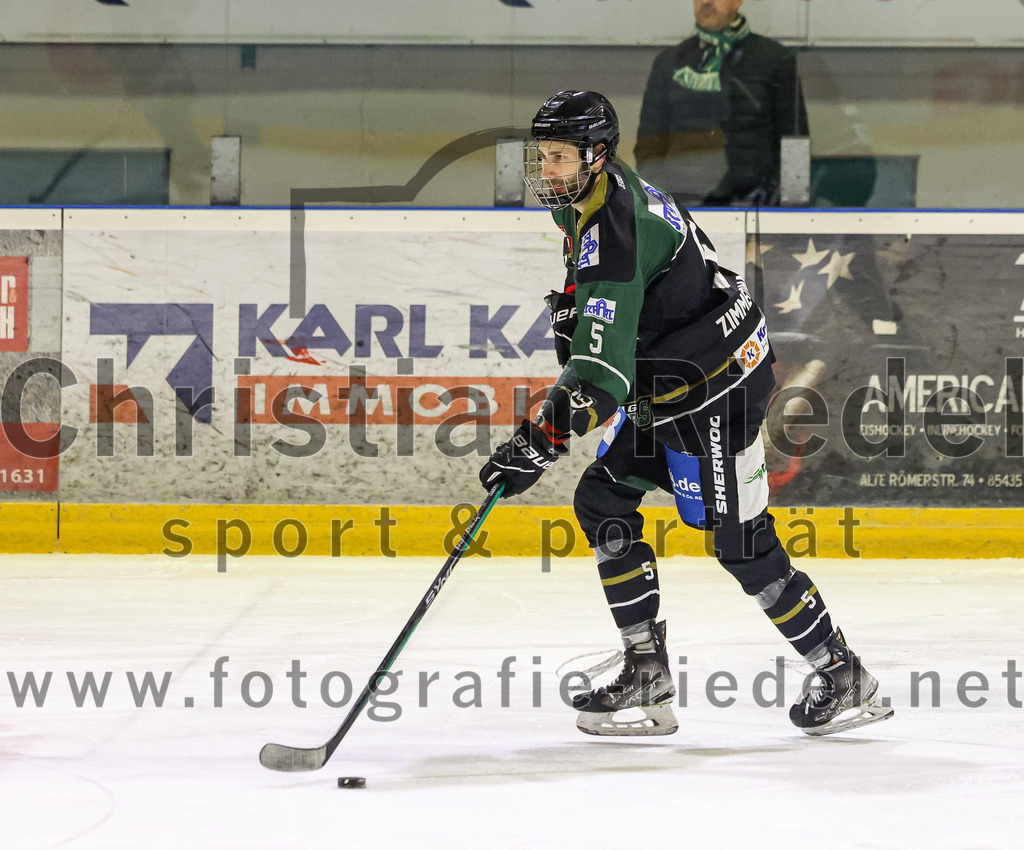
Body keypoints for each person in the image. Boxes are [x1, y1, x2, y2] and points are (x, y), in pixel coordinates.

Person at [480, 90, 892, 738]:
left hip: (716, 389)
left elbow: (600, 381)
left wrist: (539, 441)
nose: (547, 169)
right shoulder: (591, 196)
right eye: (544, 155)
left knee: (739, 542)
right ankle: (646, 668)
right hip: (675, 382)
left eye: (560, 156)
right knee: (603, 498)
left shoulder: (614, 230)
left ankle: (843, 674)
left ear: (597, 154)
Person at [635, 0, 808, 206]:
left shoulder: (775, 59)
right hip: (683, 203)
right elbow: (649, 144)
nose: (705, 2)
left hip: (754, 205)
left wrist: (787, 208)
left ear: (738, 2)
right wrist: (662, 201)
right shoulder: (669, 63)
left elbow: (794, 142)